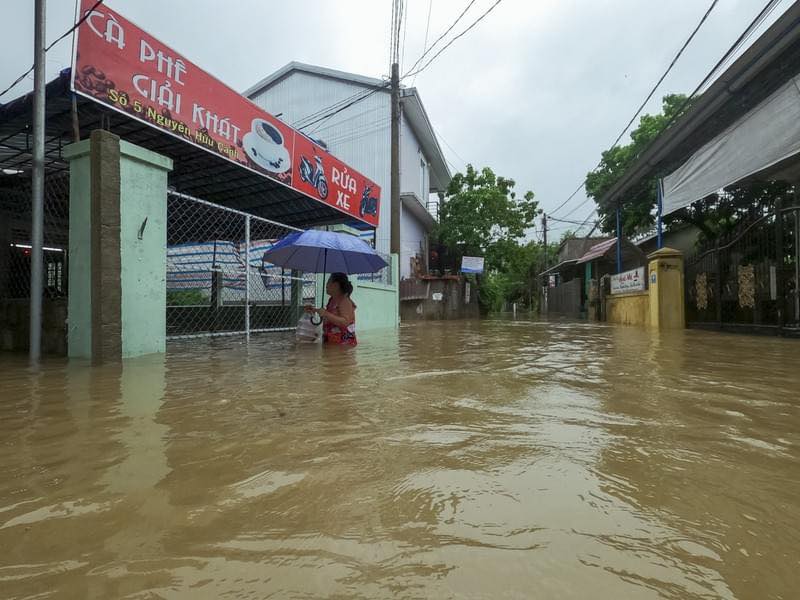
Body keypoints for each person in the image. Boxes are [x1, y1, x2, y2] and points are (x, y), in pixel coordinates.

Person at [305, 272, 357, 346]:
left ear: (336, 285)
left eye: (328, 282)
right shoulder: (332, 300)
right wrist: (314, 310)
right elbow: (331, 317)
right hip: (331, 342)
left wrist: (326, 313)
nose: (326, 285)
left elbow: (345, 322)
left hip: (343, 345)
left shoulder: (344, 301)